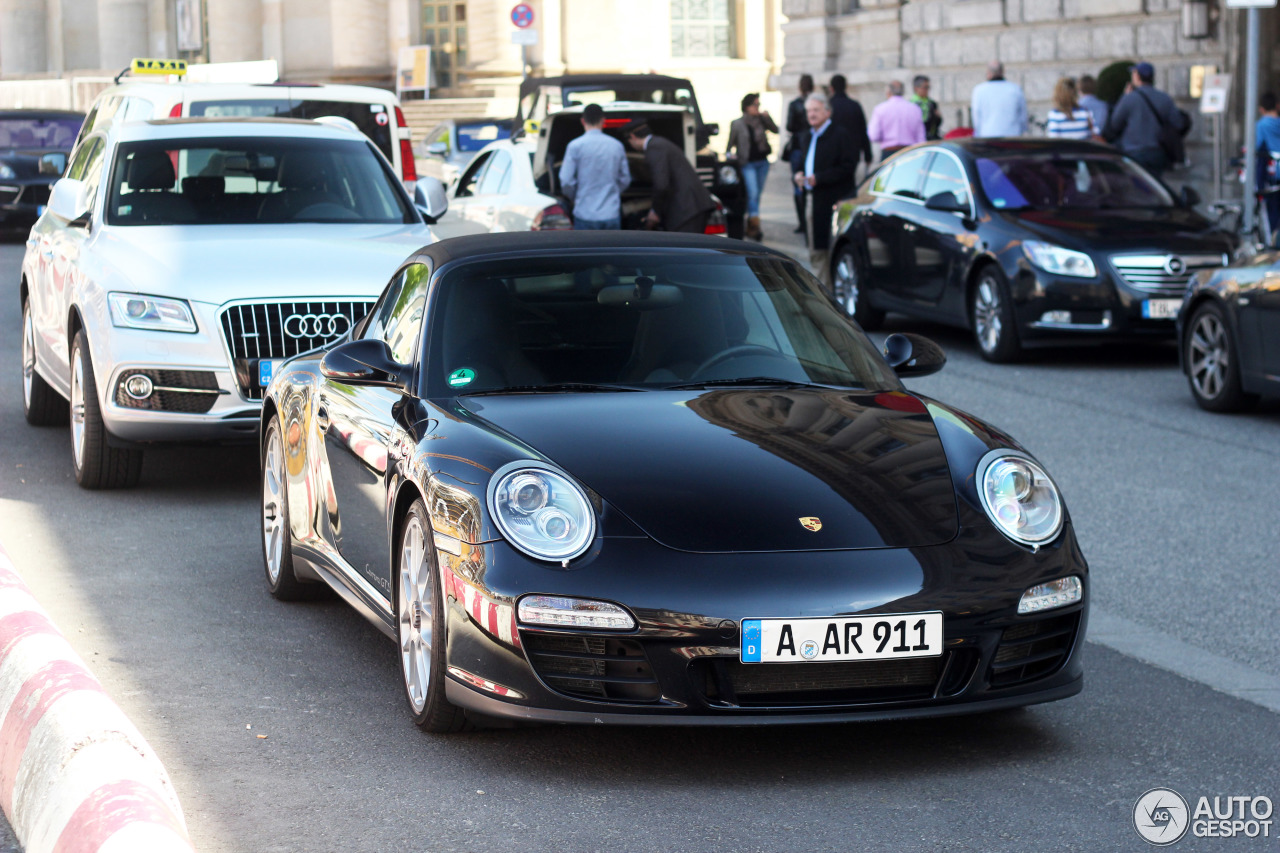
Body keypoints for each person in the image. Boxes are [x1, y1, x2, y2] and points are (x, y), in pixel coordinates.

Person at [790, 93, 856, 286]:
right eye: (809, 111)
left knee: (831, 250)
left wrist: (819, 178)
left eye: (816, 110)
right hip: (812, 199)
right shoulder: (807, 136)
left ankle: (833, 296)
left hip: (834, 200)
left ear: (828, 112)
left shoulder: (840, 134)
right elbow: (803, 163)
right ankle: (822, 294)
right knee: (816, 251)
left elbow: (848, 166)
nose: (811, 114)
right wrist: (798, 175)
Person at [624, 121, 716, 233]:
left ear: (633, 137)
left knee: (685, 247)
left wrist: (655, 212)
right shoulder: (659, 143)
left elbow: (661, 184)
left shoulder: (654, 148)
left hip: (687, 207)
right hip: (691, 205)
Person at [1102, 61, 1188, 179]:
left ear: (1137, 76)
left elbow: (1115, 124)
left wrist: (1124, 97)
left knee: (1138, 189)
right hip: (1158, 152)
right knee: (1155, 186)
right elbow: (1177, 123)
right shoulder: (1164, 98)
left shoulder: (1129, 99)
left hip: (1134, 152)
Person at [559, 103, 631, 230]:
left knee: (585, 250)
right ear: (603, 121)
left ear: (583, 121)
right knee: (612, 250)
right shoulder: (616, 145)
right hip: (611, 213)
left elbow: (566, 181)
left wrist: (576, 197)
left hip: (584, 213)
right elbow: (625, 179)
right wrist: (613, 192)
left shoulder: (575, 146)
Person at [727, 92, 778, 241]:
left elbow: (776, 130)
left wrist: (767, 117)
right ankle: (754, 227)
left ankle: (750, 225)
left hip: (762, 162)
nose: (758, 107)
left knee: (756, 195)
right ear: (747, 106)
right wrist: (731, 156)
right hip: (747, 163)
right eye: (755, 105)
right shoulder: (737, 123)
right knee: (753, 193)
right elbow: (730, 145)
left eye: (758, 104)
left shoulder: (761, 120)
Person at [828, 74, 873, 181]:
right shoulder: (854, 105)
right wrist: (868, 155)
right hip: (852, 153)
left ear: (831, 88)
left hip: (831, 152)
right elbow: (863, 131)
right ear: (846, 87)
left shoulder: (828, 105)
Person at [785, 74, 814, 235]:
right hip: (809, 146)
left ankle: (802, 222)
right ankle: (808, 220)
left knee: (798, 183)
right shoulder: (815, 104)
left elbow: (789, 126)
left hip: (797, 147)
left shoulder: (795, 104)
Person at [867, 80, 925, 160]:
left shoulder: (880, 109)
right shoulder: (915, 109)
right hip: (910, 152)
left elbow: (874, 136)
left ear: (888, 92)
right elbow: (921, 138)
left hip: (889, 152)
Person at [971, 61, 1027, 138]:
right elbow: (1023, 117)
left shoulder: (979, 90)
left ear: (988, 72)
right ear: (1003, 71)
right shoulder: (1015, 89)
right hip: (1012, 136)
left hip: (987, 137)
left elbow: (976, 118)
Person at [1257, 92, 1280, 241]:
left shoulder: (1261, 125)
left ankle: (1274, 242)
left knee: (1273, 212)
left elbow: (1257, 149)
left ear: (1261, 109)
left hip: (1272, 174)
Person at [909, 75, 943, 140]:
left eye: (928, 87)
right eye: (925, 87)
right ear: (916, 88)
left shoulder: (931, 103)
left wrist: (938, 117)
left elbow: (937, 123)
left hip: (932, 137)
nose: (927, 90)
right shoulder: (912, 104)